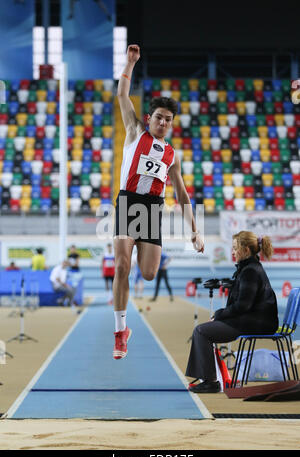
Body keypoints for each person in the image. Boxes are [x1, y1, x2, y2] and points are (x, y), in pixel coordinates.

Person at [112, 44, 204, 360]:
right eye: (159, 117)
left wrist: (195, 230)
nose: (163, 123)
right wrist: (130, 62)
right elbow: (123, 96)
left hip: (152, 209)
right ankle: (120, 331)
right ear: (150, 117)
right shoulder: (136, 130)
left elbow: (182, 195)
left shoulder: (171, 155)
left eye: (168, 120)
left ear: (172, 123)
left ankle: (137, 256)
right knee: (122, 266)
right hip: (128, 202)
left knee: (149, 273)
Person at [185, 231, 279, 393]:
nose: (233, 252)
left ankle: (210, 381)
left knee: (201, 331)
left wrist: (219, 314)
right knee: (202, 330)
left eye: (235, 248)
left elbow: (242, 306)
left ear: (246, 250)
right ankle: (208, 378)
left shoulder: (250, 271)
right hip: (253, 320)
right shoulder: (250, 268)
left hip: (254, 323)